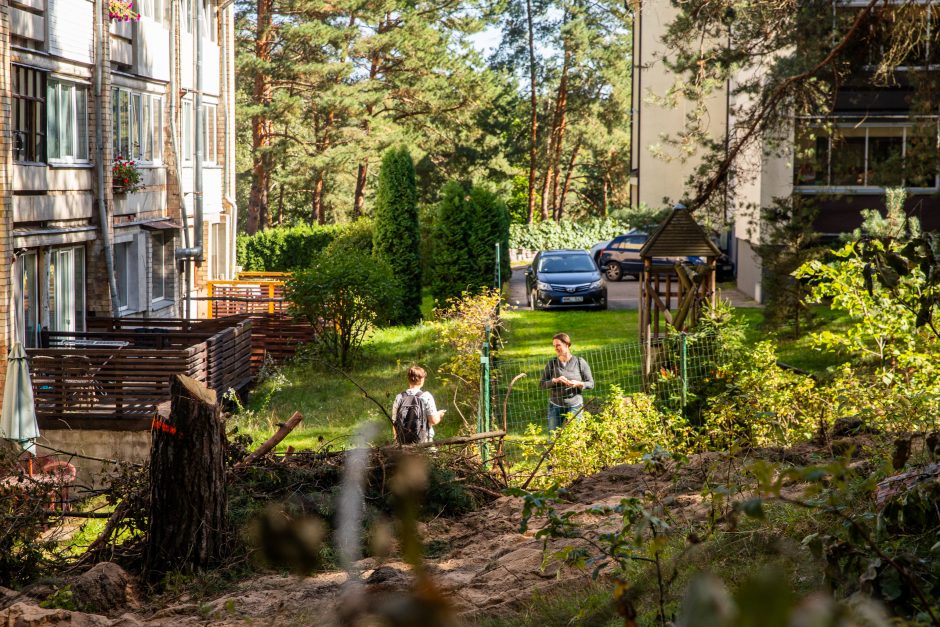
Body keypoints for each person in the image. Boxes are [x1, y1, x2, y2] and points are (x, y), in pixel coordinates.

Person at [539, 333, 594, 432]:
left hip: (575, 406)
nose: (555, 348)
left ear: (567, 345)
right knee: (553, 437)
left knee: (576, 436)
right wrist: (555, 380)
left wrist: (579, 384)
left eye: (558, 345)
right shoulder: (552, 364)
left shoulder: (579, 362)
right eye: (554, 346)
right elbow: (542, 384)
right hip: (555, 406)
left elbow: (591, 383)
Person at [391, 366, 446, 445]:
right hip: (423, 442)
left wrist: (397, 440)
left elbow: (394, 422)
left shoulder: (399, 397)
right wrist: (439, 414)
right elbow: (433, 420)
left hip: (403, 442)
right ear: (422, 379)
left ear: (409, 379)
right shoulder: (426, 396)